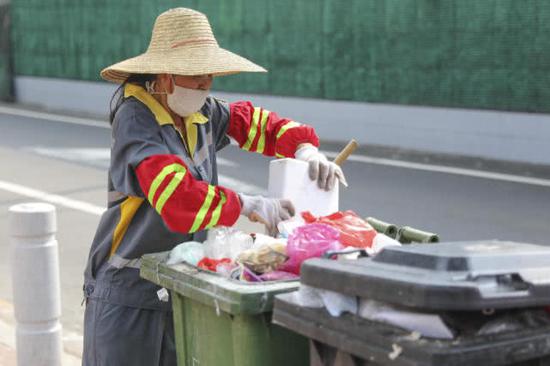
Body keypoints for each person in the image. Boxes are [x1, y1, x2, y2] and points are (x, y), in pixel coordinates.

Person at [82, 7, 346, 365]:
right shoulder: (136, 118)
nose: (206, 83)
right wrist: (251, 205)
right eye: (196, 74)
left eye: (210, 73)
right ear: (164, 74)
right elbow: (176, 198)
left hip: (179, 283)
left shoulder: (201, 113)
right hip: (128, 293)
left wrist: (305, 148)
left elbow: (255, 124)